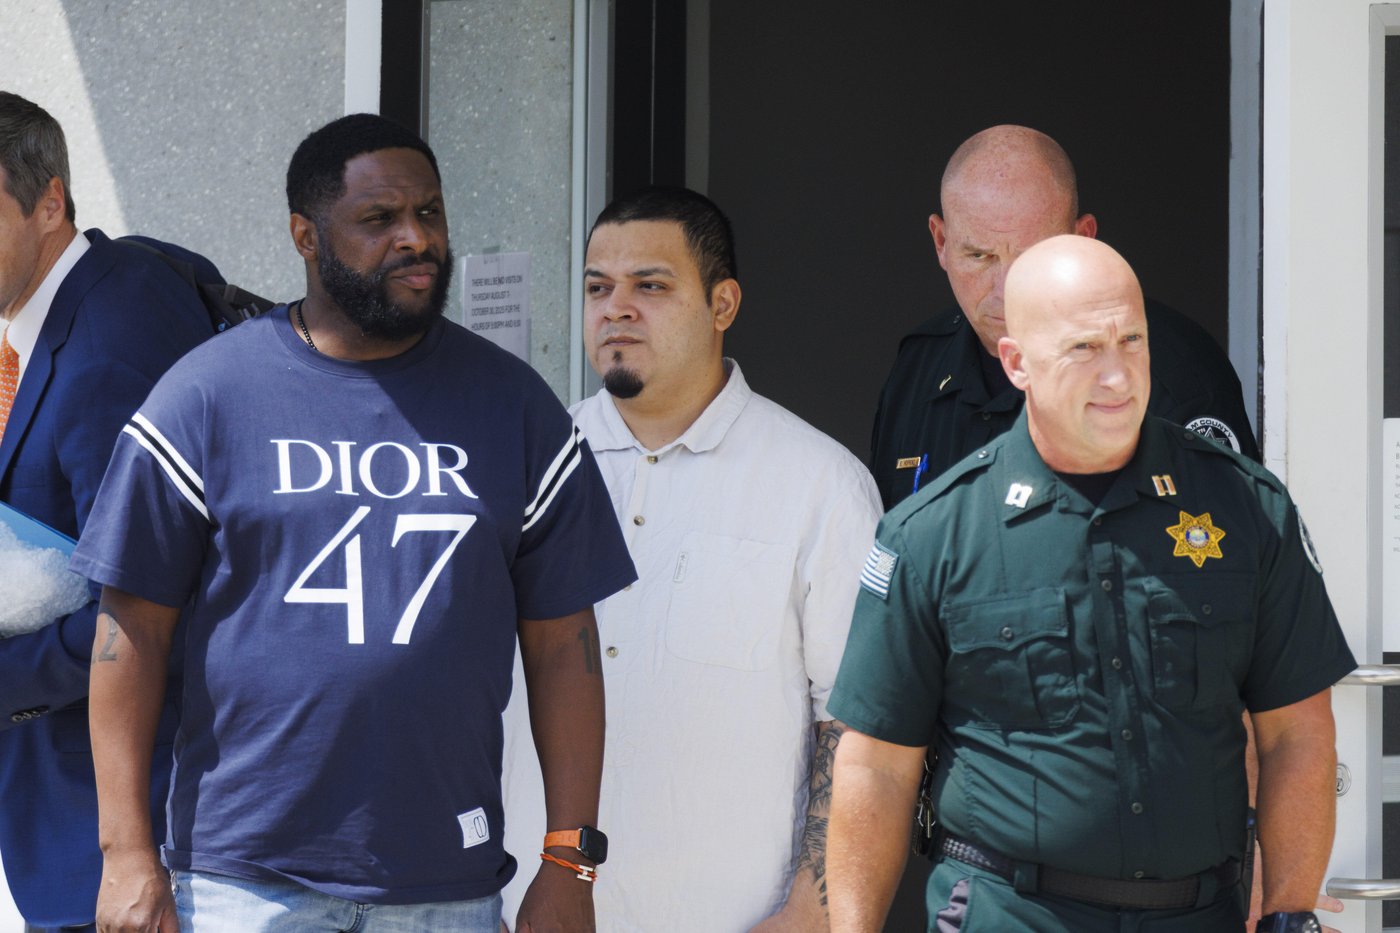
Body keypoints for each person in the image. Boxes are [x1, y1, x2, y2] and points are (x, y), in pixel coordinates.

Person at [70, 114, 636, 932]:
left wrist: (569, 862)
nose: (417, 238)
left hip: (447, 880)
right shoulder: (206, 398)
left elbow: (564, 646)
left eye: (431, 213)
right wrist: (126, 852)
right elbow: (129, 632)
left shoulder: (514, 407)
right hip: (241, 882)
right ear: (306, 234)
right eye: (380, 220)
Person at [826, 235, 1354, 933]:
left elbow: (1298, 735)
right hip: (1010, 914)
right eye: (1084, 349)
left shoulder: (1245, 506)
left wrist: (1291, 912)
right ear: (1017, 362)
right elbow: (878, 768)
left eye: (1131, 341)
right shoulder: (933, 534)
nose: (1119, 376)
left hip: (1199, 915)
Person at [500, 187, 883, 931]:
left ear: (723, 303)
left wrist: (812, 909)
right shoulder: (527, 466)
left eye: (650, 285)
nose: (616, 308)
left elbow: (859, 725)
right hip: (525, 911)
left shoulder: (819, 483)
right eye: (597, 287)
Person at [0, 91, 213, 932]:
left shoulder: (115, 329)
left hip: (132, 839)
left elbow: (156, 598)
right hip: (84, 828)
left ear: (50, 198)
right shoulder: (70, 318)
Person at [870, 124, 1259, 510]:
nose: (1006, 288)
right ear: (941, 242)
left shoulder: (1170, 374)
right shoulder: (918, 366)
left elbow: (1219, 553)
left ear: (1083, 239)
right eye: (979, 256)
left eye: (1031, 256)